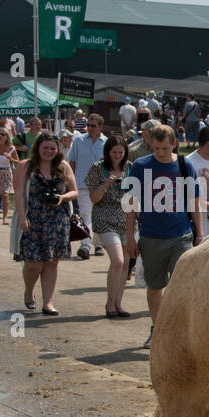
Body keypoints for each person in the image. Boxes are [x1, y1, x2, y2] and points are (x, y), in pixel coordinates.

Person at [125, 124, 202, 349]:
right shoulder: (140, 166)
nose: (160, 153)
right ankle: (157, 329)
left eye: (165, 149)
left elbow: (194, 201)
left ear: (174, 144)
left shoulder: (184, 165)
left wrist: (200, 233)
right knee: (156, 286)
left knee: (182, 284)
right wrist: (130, 237)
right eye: (157, 148)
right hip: (151, 236)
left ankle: (181, 331)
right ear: (151, 144)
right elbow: (130, 204)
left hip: (181, 234)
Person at [14, 131, 78, 316]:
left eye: (52, 148)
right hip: (32, 219)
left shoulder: (63, 166)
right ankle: (29, 290)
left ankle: (48, 302)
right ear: (38, 148)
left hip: (57, 220)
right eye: (45, 148)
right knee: (34, 263)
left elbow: (74, 192)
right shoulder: (25, 166)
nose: (49, 151)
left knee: (51, 262)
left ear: (58, 149)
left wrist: (61, 197)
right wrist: (21, 217)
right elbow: (18, 193)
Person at [86, 134, 133, 318]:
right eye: (114, 152)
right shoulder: (97, 168)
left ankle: (118, 303)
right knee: (118, 261)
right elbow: (94, 198)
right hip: (104, 217)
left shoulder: (130, 167)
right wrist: (106, 184)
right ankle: (109, 304)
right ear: (107, 151)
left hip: (126, 218)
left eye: (120, 152)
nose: (117, 155)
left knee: (126, 264)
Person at [67, 113, 107, 259]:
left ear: (100, 127)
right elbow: (71, 162)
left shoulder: (106, 143)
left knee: (98, 216)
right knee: (85, 215)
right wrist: (69, 182)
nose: (89, 128)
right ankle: (85, 246)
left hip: (101, 186)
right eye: (88, 125)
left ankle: (98, 244)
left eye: (93, 126)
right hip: (83, 185)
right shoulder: (78, 141)